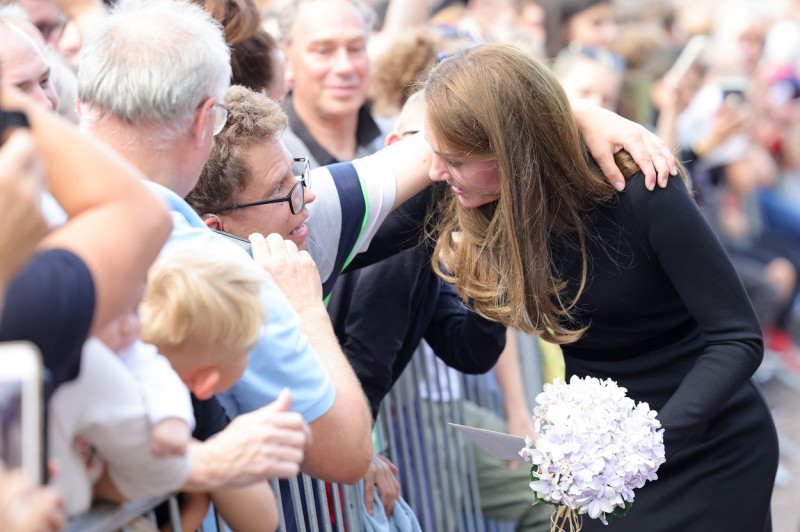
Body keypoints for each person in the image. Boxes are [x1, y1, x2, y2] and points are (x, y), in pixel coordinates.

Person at [422, 43, 778, 531]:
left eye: (455, 160)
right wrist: (478, 289)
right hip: (599, 471)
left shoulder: (642, 188)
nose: (436, 173)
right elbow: (471, 350)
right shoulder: (481, 201)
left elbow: (737, 338)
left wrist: (647, 450)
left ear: (510, 151)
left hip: (709, 452)